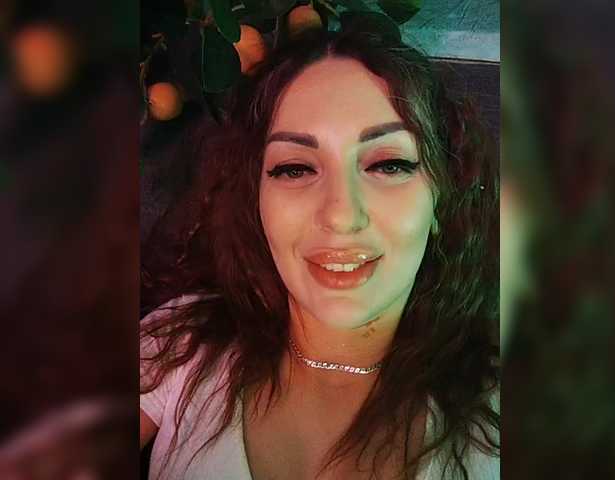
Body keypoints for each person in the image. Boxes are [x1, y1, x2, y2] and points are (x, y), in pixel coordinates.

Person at [140, 23, 499, 480]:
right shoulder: (180, 343)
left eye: (388, 164)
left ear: (440, 200)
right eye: (295, 168)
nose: (341, 216)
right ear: (256, 201)